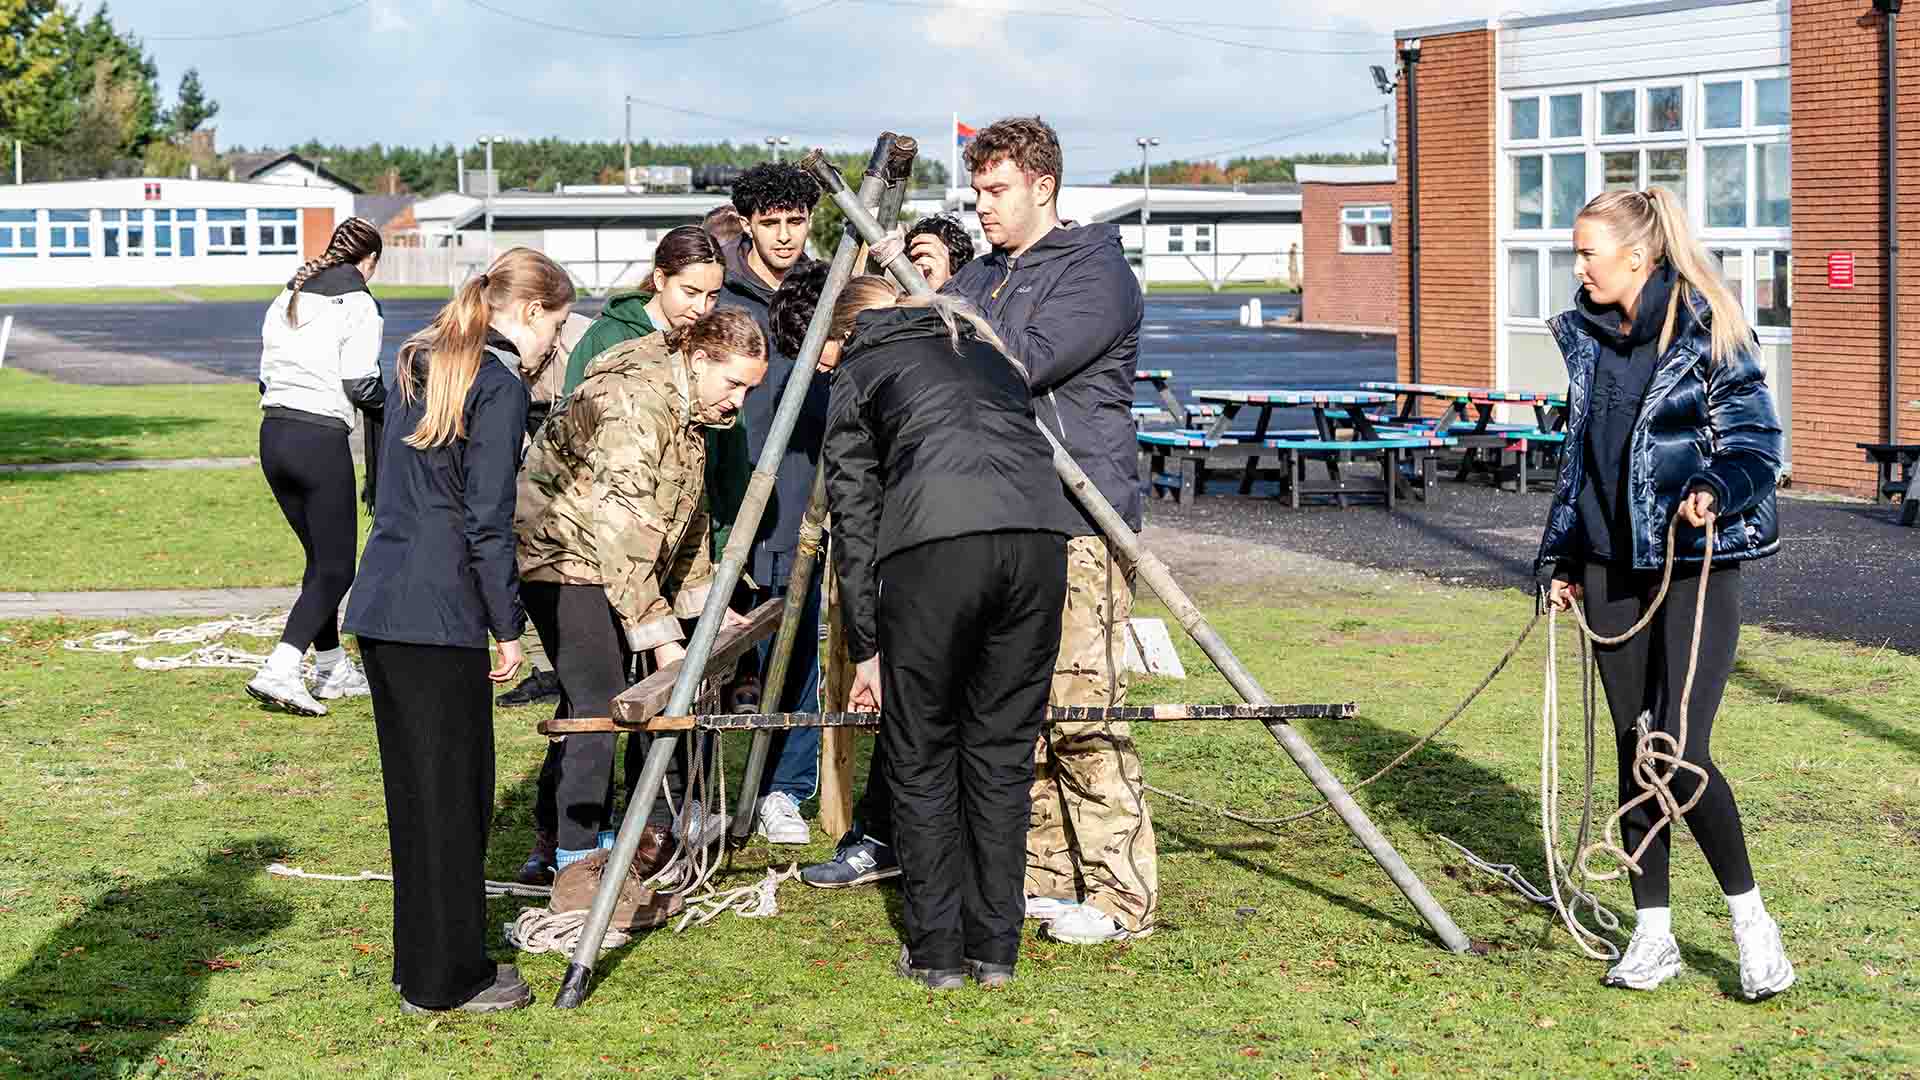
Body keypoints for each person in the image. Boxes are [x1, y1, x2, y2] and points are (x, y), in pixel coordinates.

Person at [807, 117, 1159, 949]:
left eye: (996, 190)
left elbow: (1012, 365)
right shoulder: (988, 274)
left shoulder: (1094, 274)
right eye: (976, 192)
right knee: (1012, 718)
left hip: (1075, 519)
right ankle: (1039, 876)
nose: (983, 208)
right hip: (1002, 515)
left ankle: (1119, 893)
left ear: (1043, 184)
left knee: (1078, 711)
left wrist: (926, 302)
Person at [1540, 188, 1793, 1000]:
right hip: (1611, 565)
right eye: (1575, 253)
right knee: (1633, 745)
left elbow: (1758, 443)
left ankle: (1754, 927)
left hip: (1695, 563)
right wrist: (1564, 557)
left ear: (1638, 257)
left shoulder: (1711, 326)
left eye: (1588, 253)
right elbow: (1581, 459)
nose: (1576, 267)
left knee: (1676, 753)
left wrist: (1717, 486)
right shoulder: (1584, 336)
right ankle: (1655, 936)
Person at [822, 276, 1077, 989]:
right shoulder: (987, 352)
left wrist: (866, 650)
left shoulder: (861, 366)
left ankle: (936, 953)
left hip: (934, 551)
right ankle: (995, 949)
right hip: (1037, 544)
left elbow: (855, 511)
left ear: (845, 332)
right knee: (1000, 754)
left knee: (923, 750)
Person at [342, 247, 576, 1014]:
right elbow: (488, 521)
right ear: (532, 311)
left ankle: (424, 966)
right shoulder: (499, 382)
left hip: (382, 604)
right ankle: (450, 978)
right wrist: (508, 627)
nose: (553, 347)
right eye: (558, 326)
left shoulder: (420, 358)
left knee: (417, 798)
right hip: (441, 615)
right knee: (457, 799)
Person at [515, 307, 769, 877]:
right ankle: (577, 858)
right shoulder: (638, 405)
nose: (738, 402)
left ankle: (570, 833)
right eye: (733, 385)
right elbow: (623, 528)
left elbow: (684, 509)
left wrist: (705, 599)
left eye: (749, 390)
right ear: (699, 358)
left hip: (611, 552)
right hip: (561, 552)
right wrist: (660, 636)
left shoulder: (688, 401)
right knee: (600, 704)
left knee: (592, 694)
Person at [716, 163, 827, 846]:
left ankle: (785, 787)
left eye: (796, 221)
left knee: (799, 647)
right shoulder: (724, 296)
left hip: (803, 496)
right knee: (717, 649)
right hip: (733, 495)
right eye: (771, 223)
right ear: (748, 224)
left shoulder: (825, 290)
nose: (785, 236)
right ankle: (697, 783)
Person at [246, 217, 386, 717]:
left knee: (318, 561)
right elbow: (360, 384)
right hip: (318, 439)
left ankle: (329, 668)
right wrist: (398, 412)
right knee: (336, 567)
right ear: (369, 261)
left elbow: (265, 378)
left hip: (273, 435)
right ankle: (281, 668)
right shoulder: (359, 303)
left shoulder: (287, 296)